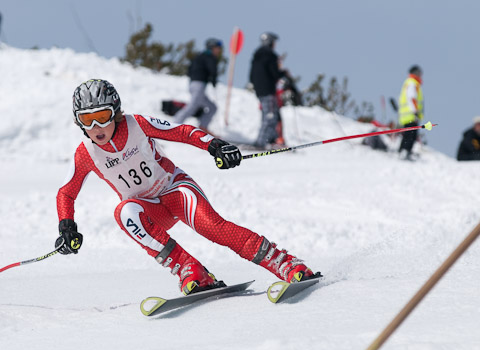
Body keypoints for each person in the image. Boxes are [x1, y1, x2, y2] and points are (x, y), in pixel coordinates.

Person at [55, 79, 320, 296]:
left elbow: (181, 131)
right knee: (124, 213)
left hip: (175, 191)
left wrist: (215, 145)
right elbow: (66, 192)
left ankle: (285, 263)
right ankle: (190, 271)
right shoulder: (85, 153)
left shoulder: (136, 125)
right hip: (151, 211)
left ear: (115, 111)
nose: (96, 127)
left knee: (214, 228)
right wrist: (67, 227)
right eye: (87, 120)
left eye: (102, 117)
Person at [173, 38, 222, 134]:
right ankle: (174, 126)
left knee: (212, 107)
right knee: (192, 107)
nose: (219, 50)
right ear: (212, 48)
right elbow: (212, 70)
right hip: (199, 85)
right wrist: (213, 80)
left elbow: (190, 70)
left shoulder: (199, 56)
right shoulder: (210, 57)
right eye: (217, 48)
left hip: (194, 84)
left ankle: (202, 127)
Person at [397, 65, 424, 161]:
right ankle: (405, 152)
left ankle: (402, 151)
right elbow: (412, 98)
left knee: (408, 134)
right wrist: (415, 112)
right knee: (411, 134)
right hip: (410, 115)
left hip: (406, 115)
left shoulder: (409, 83)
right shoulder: (413, 83)